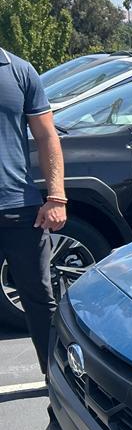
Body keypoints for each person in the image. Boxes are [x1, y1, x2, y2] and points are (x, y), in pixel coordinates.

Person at [0, 47, 66, 373]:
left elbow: (46, 136)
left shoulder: (19, 70)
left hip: (20, 209)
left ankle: (59, 384)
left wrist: (56, 196)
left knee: (41, 302)